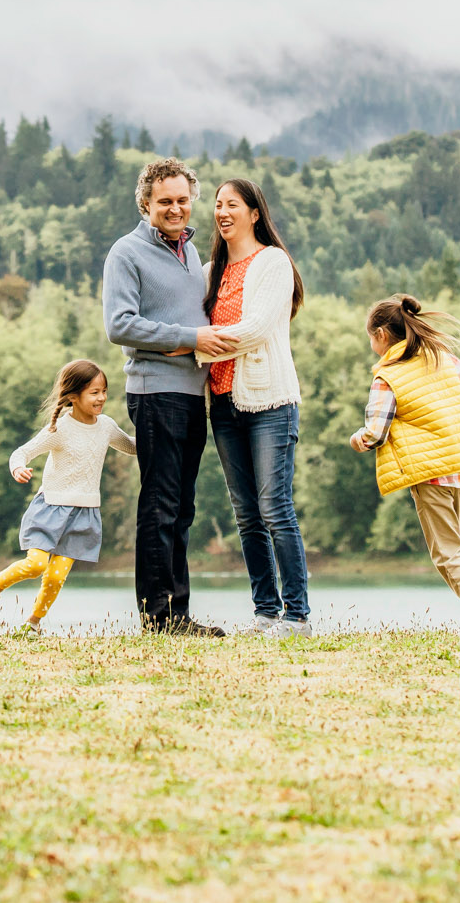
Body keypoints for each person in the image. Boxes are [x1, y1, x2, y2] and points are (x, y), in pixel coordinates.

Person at [102, 157, 232, 636]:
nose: (175, 209)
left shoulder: (189, 253)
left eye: (182, 200)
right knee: (159, 506)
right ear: (145, 204)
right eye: (164, 202)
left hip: (191, 393)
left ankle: (179, 614)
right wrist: (192, 338)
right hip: (154, 392)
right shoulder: (126, 253)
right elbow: (119, 325)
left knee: (181, 507)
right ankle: (157, 618)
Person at [348, 295, 460, 633]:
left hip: (430, 474)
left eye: (370, 336)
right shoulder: (443, 359)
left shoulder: (388, 377)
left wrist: (358, 440)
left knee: (446, 552)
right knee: (459, 534)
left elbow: (375, 432)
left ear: (382, 336)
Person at [196, 177, 310, 637]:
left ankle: (297, 615)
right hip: (222, 404)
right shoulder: (210, 271)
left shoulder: (273, 262)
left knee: (274, 507)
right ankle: (265, 612)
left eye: (233, 205)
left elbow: (257, 328)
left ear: (255, 213)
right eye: (218, 205)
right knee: (246, 514)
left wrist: (195, 348)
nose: (223, 213)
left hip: (270, 403)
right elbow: (194, 323)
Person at [0, 359, 133, 636]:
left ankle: (32, 624)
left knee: (56, 577)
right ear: (73, 396)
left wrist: (164, 436)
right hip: (51, 508)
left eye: (104, 391)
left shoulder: (106, 426)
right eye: (94, 392)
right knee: (36, 565)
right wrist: (18, 468)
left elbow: (132, 447)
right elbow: (21, 452)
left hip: (85, 513)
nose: (102, 398)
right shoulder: (59, 428)